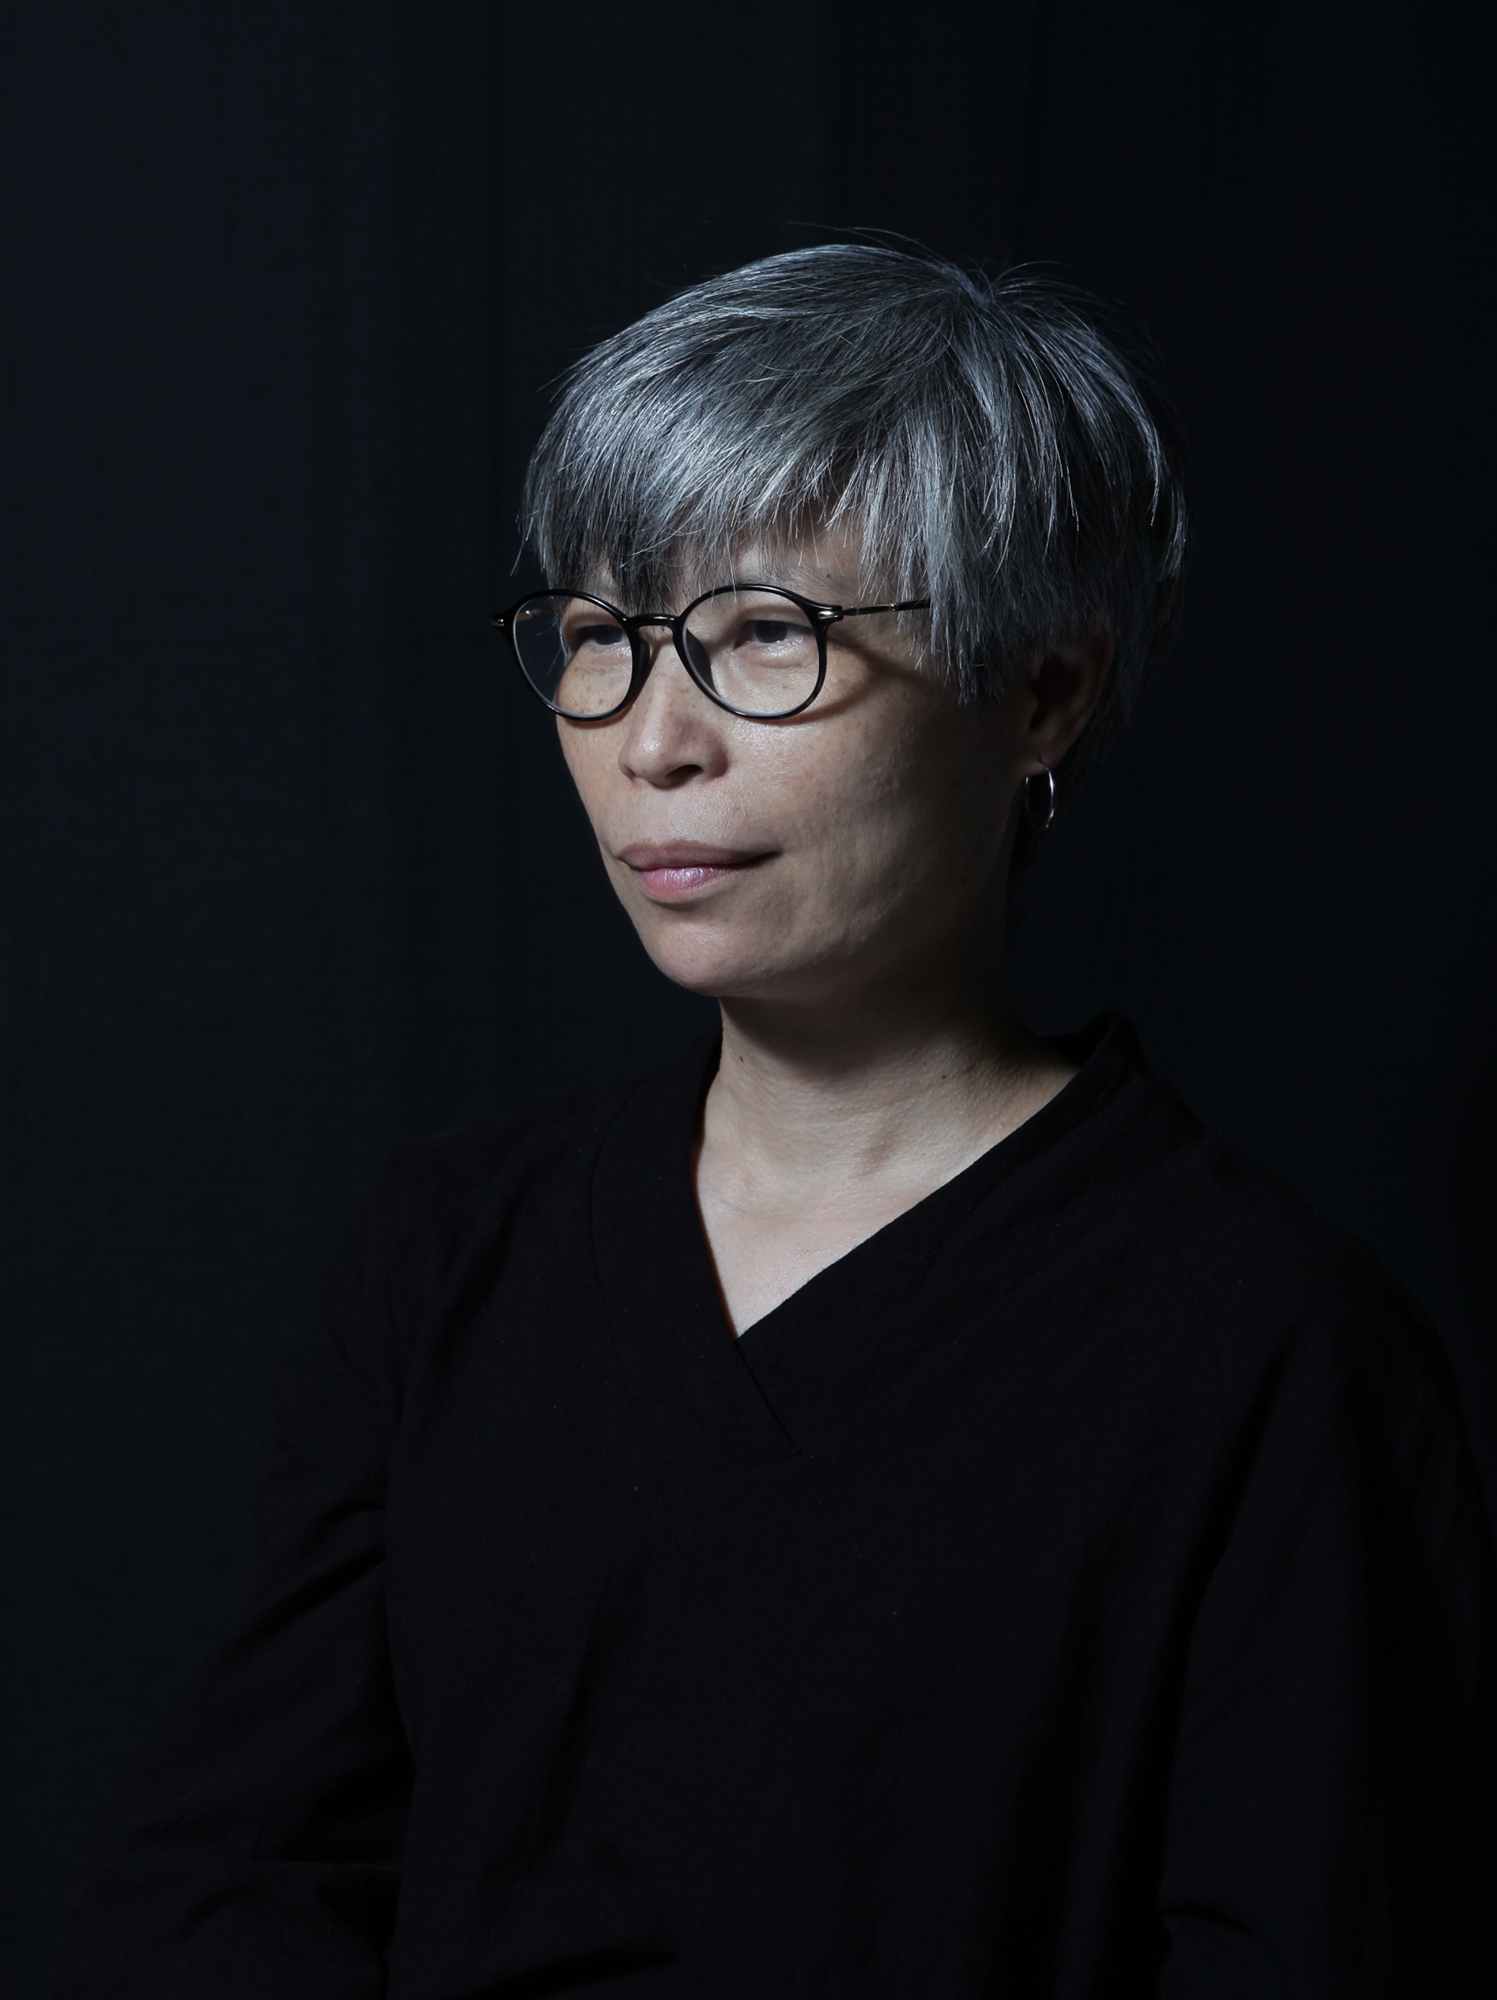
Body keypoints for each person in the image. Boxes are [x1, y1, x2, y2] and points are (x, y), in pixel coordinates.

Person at [56, 245, 1496, 1998]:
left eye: (764, 635)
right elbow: (228, 1875)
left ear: (1041, 690)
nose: (653, 741)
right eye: (603, 637)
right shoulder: (450, 1250)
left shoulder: (1269, 1349)